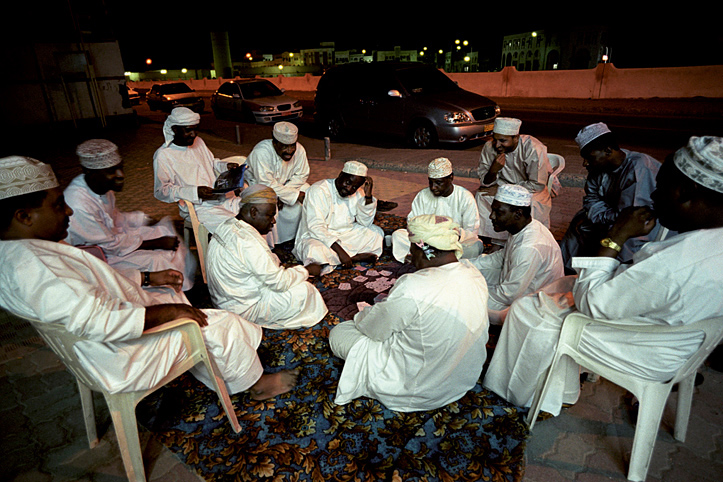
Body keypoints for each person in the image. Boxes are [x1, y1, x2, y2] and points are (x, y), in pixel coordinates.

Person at [0, 155, 298, 400]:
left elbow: (94, 284)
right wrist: (173, 312)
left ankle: (223, 363)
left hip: (96, 346)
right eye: (56, 205)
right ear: (24, 216)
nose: (67, 210)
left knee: (171, 289)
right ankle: (256, 385)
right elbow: (101, 322)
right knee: (223, 324)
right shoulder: (33, 268)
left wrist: (146, 278)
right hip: (120, 357)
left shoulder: (22, 254)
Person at [483, 136, 723, 417]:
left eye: (660, 188)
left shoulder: (681, 263)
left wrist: (615, 236)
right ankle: (562, 390)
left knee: (526, 311)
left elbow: (592, 304)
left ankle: (519, 397)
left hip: (646, 347)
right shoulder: (708, 240)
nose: (653, 197)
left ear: (686, 191)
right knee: (561, 286)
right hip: (680, 340)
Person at [329, 214, 490, 412]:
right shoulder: (473, 273)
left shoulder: (413, 285)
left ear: (423, 250)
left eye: (412, 249)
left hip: (416, 390)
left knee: (339, 333)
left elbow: (373, 330)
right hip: (461, 381)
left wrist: (366, 314)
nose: (410, 256)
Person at [64, 139, 197, 291]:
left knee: (162, 229)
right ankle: (172, 292)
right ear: (90, 172)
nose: (121, 175)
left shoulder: (102, 187)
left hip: (113, 241)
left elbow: (115, 218)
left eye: (120, 168)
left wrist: (144, 220)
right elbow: (111, 246)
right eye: (111, 171)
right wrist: (156, 243)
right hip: (95, 258)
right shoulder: (79, 203)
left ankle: (181, 285)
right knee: (157, 259)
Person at [206, 184, 328, 329]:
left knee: (278, 265)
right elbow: (279, 283)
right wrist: (306, 270)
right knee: (306, 291)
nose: (273, 221)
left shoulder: (227, 224)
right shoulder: (249, 242)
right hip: (243, 309)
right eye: (270, 215)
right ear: (253, 212)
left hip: (222, 300)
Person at [559, 122, 664, 271]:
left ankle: (603, 275)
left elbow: (632, 218)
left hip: (640, 227)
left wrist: (603, 218)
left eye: (589, 157)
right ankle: (566, 271)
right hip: (609, 218)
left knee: (621, 248)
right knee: (579, 224)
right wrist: (604, 217)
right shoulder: (598, 166)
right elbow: (591, 199)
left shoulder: (638, 168)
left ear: (608, 151)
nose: (585, 163)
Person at [469, 184, 564, 325]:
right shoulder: (525, 227)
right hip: (517, 285)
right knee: (470, 273)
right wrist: (465, 265)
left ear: (518, 214)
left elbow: (508, 294)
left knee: (464, 299)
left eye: (498, 212)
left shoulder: (529, 247)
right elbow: (502, 257)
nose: (491, 216)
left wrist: (470, 287)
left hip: (534, 302)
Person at [152, 107, 242, 232]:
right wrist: (195, 192)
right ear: (175, 129)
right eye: (188, 130)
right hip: (199, 207)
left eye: (195, 130)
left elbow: (212, 162)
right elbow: (161, 191)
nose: (193, 135)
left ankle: (269, 248)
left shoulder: (198, 142)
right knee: (234, 228)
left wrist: (225, 166)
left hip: (223, 199)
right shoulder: (164, 155)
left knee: (260, 209)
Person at [292, 160, 384, 277]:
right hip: (317, 236)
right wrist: (340, 252)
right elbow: (315, 227)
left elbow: (364, 223)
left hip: (345, 234)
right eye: (348, 183)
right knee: (314, 250)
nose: (349, 189)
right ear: (341, 175)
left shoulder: (358, 193)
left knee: (376, 233)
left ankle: (337, 259)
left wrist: (368, 197)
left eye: (355, 187)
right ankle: (353, 257)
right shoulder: (318, 190)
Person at [475, 117, 553, 246]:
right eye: (495, 139)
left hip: (531, 190)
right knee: (482, 196)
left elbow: (537, 184)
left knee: (531, 204)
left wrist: (504, 190)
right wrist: (493, 170)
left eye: (503, 141)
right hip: (502, 186)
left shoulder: (533, 148)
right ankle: (497, 241)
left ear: (515, 138)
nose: (497, 145)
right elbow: (485, 182)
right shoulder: (489, 147)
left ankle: (525, 242)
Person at [391, 157, 481, 262]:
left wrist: (452, 233)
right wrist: (430, 235)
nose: (433, 187)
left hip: (451, 242)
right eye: (431, 182)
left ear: (451, 178)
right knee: (398, 235)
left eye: (438, 183)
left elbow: (471, 231)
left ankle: (423, 259)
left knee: (476, 246)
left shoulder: (465, 197)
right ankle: (442, 261)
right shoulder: (422, 195)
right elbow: (412, 223)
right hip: (426, 241)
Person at [245, 122, 310, 247]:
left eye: (292, 146)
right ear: (274, 143)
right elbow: (265, 183)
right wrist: (284, 195)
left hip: (286, 186)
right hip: (258, 187)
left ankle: (298, 237)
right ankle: (274, 245)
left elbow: (301, 175)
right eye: (285, 147)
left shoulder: (300, 150)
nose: (289, 151)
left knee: (308, 190)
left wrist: (285, 193)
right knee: (268, 202)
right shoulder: (261, 152)